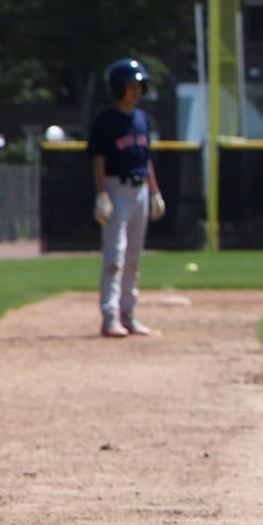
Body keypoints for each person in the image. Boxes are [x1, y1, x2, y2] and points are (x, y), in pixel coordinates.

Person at [88, 58, 165, 338]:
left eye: (139, 86)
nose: (135, 91)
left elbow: (146, 159)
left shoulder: (142, 119)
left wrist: (155, 191)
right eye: (130, 86)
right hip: (116, 188)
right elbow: (98, 159)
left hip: (140, 188)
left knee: (134, 256)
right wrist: (101, 194)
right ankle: (109, 315)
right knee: (115, 254)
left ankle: (128, 313)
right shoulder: (106, 120)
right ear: (117, 88)